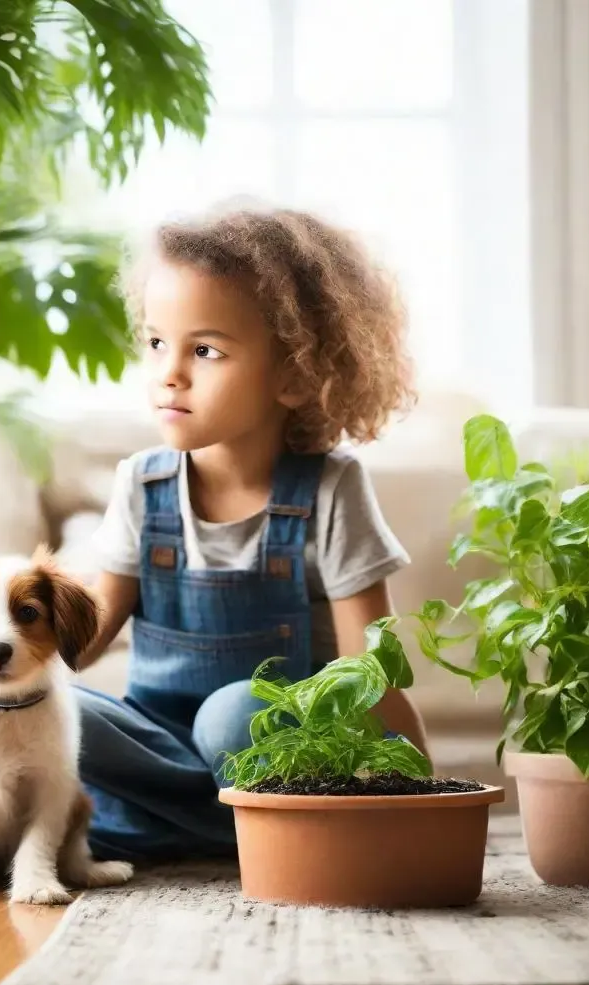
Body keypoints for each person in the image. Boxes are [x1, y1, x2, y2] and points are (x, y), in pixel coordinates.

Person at [74, 204, 429, 863]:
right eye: (157, 343)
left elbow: (370, 673)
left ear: (295, 373)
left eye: (204, 350)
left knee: (234, 713)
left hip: (280, 743)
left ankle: (198, 829)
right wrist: (5, 675)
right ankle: (215, 831)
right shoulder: (141, 485)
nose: (169, 372)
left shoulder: (330, 490)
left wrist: (418, 791)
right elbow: (88, 634)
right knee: (48, 707)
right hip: (165, 747)